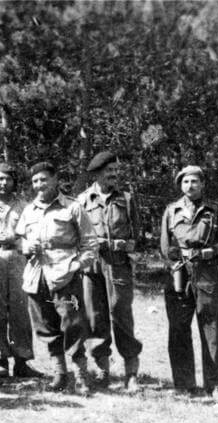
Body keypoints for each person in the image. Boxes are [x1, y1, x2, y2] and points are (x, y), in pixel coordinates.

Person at [15, 162, 97, 395]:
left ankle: (81, 377)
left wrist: (75, 266)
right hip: (36, 276)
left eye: (43, 180)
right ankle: (59, 374)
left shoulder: (72, 207)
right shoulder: (29, 210)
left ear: (55, 180)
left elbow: (90, 244)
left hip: (64, 277)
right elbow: (20, 241)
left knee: (73, 325)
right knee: (45, 326)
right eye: (35, 181)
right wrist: (26, 246)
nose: (39, 185)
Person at [77, 151, 142, 391]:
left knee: (121, 314)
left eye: (116, 172)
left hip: (118, 264)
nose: (114, 176)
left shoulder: (126, 198)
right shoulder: (83, 201)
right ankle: (102, 370)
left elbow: (137, 236)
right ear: (96, 174)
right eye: (109, 172)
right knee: (95, 316)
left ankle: (131, 373)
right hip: (92, 266)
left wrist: (121, 245)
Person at [160, 165, 218, 401]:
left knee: (210, 327)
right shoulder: (171, 211)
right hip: (178, 273)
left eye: (195, 181)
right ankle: (183, 383)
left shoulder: (215, 211)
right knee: (178, 327)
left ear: (203, 184)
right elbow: (165, 247)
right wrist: (174, 265)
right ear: (180, 185)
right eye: (186, 182)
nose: (190, 186)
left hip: (206, 272)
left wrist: (211, 255)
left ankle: (214, 384)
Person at [0, 163, 44, 379]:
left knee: (20, 310)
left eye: (8, 179)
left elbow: (32, 234)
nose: (3, 183)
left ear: (14, 181)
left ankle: (22, 361)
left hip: (17, 259)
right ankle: (1, 360)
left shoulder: (24, 206)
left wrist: (19, 241)